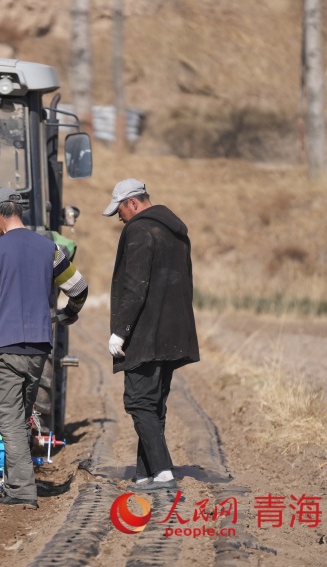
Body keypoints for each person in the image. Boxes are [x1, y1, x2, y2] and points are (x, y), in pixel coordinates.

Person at [0, 187, 88, 508]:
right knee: (22, 416)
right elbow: (79, 288)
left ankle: (22, 491)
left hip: (4, 348)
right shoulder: (50, 248)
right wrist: (68, 314)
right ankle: (20, 481)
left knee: (11, 422)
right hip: (38, 349)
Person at [102, 178, 200, 492]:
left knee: (138, 402)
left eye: (119, 210)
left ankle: (162, 472)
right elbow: (187, 282)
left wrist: (120, 332)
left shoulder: (139, 230)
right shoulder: (176, 232)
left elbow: (135, 286)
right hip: (173, 333)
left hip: (146, 333)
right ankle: (145, 473)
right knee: (154, 403)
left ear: (132, 202)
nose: (119, 217)